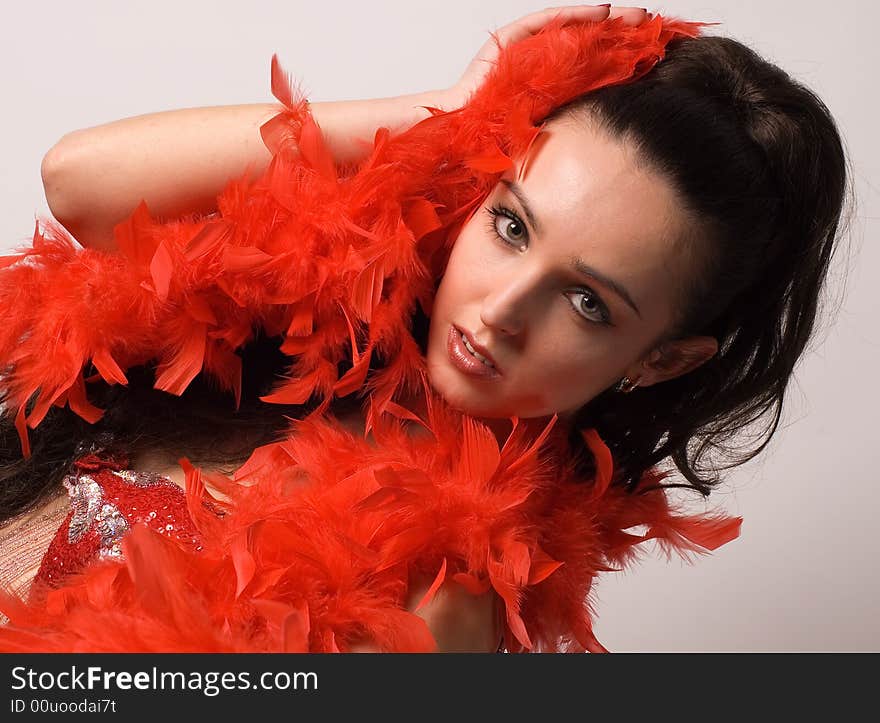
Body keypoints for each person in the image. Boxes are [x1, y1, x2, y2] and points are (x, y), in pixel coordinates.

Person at [0, 5, 851, 653]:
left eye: (588, 302)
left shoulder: (444, 600)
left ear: (661, 361)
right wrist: (458, 106)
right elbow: (79, 182)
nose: (500, 309)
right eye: (511, 226)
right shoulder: (288, 328)